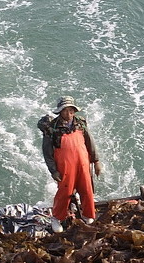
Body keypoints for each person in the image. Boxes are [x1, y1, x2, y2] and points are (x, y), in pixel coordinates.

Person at [38, 96, 101, 224]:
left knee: (87, 189)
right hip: (65, 166)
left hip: (83, 163)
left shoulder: (80, 123)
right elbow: (47, 152)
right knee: (65, 192)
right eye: (65, 110)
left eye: (71, 110)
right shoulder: (52, 129)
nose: (69, 113)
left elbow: (90, 142)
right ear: (60, 112)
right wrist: (53, 171)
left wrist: (96, 161)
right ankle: (57, 218)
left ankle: (88, 214)